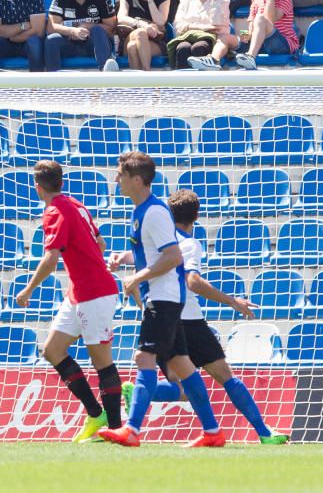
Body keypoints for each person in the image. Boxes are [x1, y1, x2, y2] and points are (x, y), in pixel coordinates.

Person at [123, 189, 289, 445]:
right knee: (224, 376)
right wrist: (232, 300)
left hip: (165, 315)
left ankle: (146, 397)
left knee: (183, 386)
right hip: (188, 319)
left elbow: (140, 264)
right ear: (196, 217)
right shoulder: (189, 244)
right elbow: (193, 281)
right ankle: (262, 432)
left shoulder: (160, 239)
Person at [98, 152, 225, 448]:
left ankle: (131, 429)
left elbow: (172, 256)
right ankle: (212, 430)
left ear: (138, 180)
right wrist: (126, 259)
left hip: (163, 298)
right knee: (182, 364)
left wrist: (137, 278)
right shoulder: (143, 210)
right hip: (166, 297)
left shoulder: (153, 212)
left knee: (144, 358)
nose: (117, 180)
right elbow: (156, 253)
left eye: (122, 175)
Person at [14, 160, 123, 442]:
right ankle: (95, 412)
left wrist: (27, 290)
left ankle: (114, 430)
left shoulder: (53, 212)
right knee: (52, 349)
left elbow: (50, 260)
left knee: (102, 361)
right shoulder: (75, 204)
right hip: (80, 292)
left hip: (95, 293)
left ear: (38, 187)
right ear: (60, 182)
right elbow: (100, 244)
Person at [45, 0, 119, 73]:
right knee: (52, 39)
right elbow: (51, 27)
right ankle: (53, 81)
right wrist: (72, 31)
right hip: (69, 44)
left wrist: (89, 26)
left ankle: (106, 72)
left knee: (97, 30)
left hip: (93, 44)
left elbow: (112, 29)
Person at [232, 0, 299, 69]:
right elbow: (250, 29)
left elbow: (270, 19)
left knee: (260, 18)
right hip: (262, 44)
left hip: (283, 44)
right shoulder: (256, 1)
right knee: (228, 39)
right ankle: (213, 60)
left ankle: (250, 56)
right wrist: (241, 40)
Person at [172, 0, 238, 70]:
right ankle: (182, 85)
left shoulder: (222, 0)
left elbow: (218, 27)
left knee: (199, 46)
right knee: (182, 48)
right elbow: (178, 25)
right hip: (187, 37)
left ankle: (202, 84)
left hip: (211, 40)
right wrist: (201, 27)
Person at [116, 0, 171, 71]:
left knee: (133, 47)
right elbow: (121, 18)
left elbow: (160, 21)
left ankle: (139, 85)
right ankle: (147, 74)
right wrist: (143, 25)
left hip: (156, 41)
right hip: (130, 36)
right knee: (140, 33)